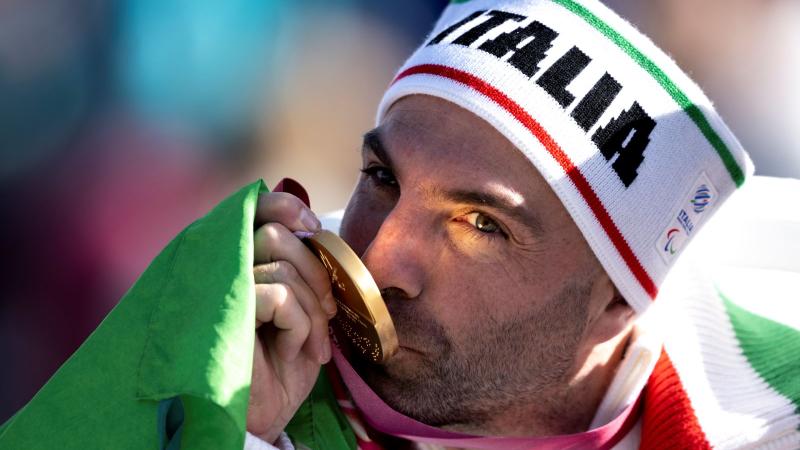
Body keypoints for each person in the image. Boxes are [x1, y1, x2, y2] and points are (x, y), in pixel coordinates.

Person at [243, 1, 800, 449]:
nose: (378, 261)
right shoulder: (245, 332)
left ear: (617, 304)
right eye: (382, 176)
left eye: (482, 224)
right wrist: (228, 425)